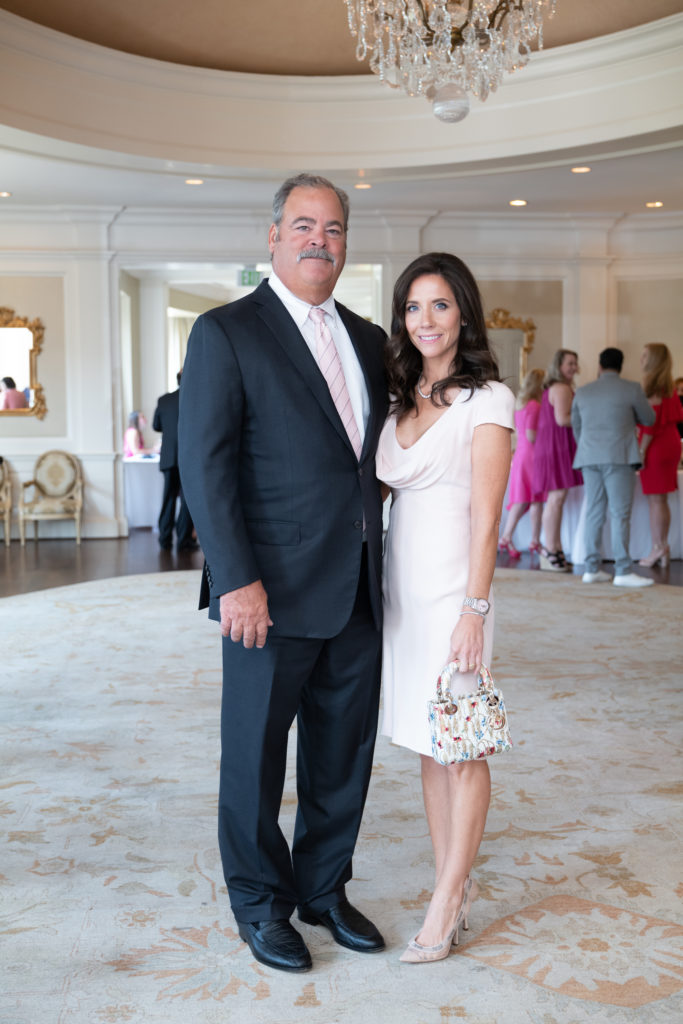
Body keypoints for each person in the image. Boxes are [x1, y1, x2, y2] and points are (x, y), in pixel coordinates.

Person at [178, 174, 389, 974]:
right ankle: (260, 904)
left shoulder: (370, 339)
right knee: (256, 758)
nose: (317, 241)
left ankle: (323, 890)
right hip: (266, 593)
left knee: (343, 753)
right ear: (271, 236)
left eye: (332, 229)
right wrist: (235, 579)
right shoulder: (226, 331)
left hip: (359, 588)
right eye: (302, 225)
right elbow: (207, 465)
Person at [376, 252, 514, 964]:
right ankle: (446, 883)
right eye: (411, 307)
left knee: (462, 748)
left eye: (438, 305)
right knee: (430, 749)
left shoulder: (487, 399)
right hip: (403, 596)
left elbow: (486, 518)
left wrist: (474, 610)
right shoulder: (399, 395)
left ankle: (449, 898)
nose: (424, 320)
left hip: (456, 598)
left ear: (462, 311)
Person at [571, 347, 655, 588]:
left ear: (599, 366)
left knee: (594, 512)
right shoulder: (632, 388)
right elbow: (649, 418)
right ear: (621, 366)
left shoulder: (583, 391)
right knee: (620, 514)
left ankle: (591, 569)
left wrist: (589, 446)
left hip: (589, 457)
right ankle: (623, 570)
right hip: (619, 457)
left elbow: (577, 426)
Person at [532, 349, 582, 572]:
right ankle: (550, 549)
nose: (573, 367)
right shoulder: (561, 388)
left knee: (557, 499)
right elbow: (563, 419)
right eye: (569, 363)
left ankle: (555, 547)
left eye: (575, 363)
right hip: (556, 448)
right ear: (559, 366)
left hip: (555, 447)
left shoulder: (557, 387)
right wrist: (587, 416)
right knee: (556, 499)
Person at [637, 343, 683, 567]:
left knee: (656, 500)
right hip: (670, 442)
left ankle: (659, 547)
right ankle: (661, 547)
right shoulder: (668, 385)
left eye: (644, 355)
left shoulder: (653, 385)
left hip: (657, 445)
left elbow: (650, 424)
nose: (641, 359)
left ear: (653, 359)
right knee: (660, 499)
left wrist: (642, 451)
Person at [499, 367, 545, 558]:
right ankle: (533, 540)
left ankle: (507, 538)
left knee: (524, 499)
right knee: (535, 500)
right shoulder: (535, 405)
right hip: (533, 455)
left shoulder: (521, 404)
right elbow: (532, 435)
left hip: (522, 454)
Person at [152, 371, 196, 552]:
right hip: (188, 457)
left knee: (168, 498)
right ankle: (184, 539)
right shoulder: (194, 399)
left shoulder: (164, 400)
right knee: (188, 501)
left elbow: (156, 426)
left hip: (169, 456)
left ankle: (164, 539)